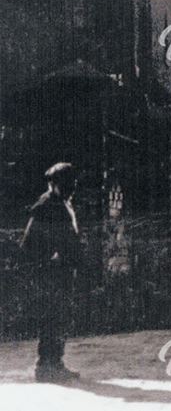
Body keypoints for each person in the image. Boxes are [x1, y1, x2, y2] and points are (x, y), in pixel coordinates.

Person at [20, 162, 83, 383]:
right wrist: (50, 259)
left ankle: (55, 364)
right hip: (51, 276)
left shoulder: (59, 203)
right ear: (55, 184)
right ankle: (46, 367)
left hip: (60, 274)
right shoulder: (47, 206)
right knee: (52, 319)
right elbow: (29, 244)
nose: (72, 187)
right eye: (67, 183)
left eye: (73, 183)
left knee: (60, 318)